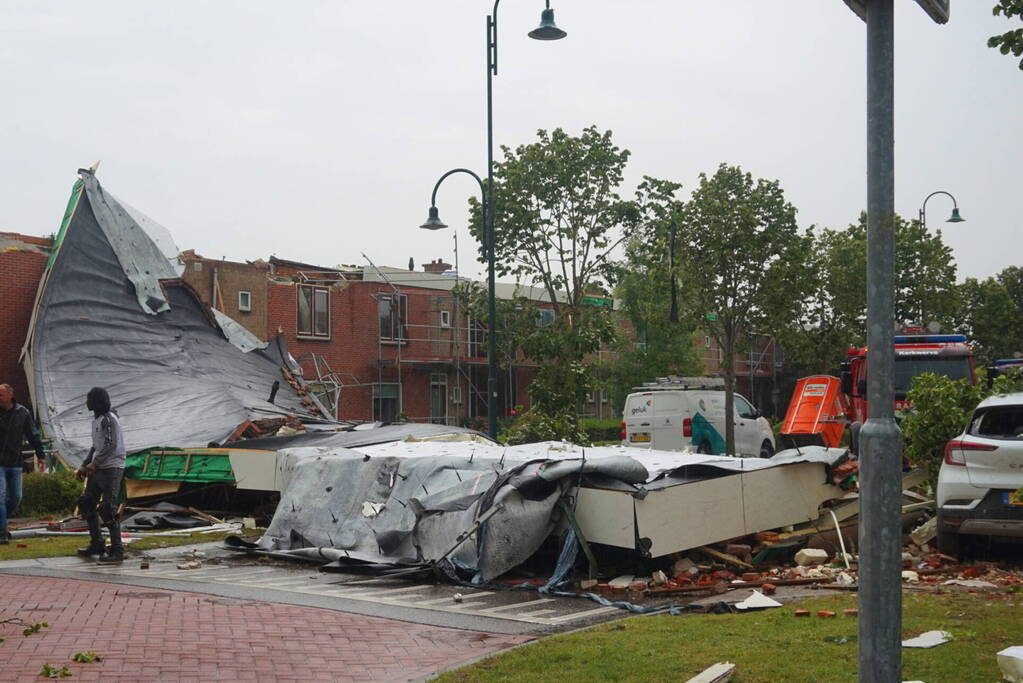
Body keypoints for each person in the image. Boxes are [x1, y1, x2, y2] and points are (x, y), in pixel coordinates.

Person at [75, 387, 126, 563]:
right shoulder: (96, 421)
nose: (86, 402)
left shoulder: (109, 419)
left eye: (89, 399)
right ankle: (97, 543)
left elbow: (111, 445)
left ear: (96, 401)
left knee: (107, 509)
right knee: (87, 501)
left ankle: (117, 550)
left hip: (111, 468)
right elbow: (95, 446)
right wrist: (85, 465)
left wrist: (93, 465)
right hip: (98, 468)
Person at [0, 383, 46, 545]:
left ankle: (1, 521)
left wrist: (41, 455)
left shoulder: (22, 413)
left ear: (10, 395)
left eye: (1, 395)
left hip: (14, 462)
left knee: (15, 498)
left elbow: (33, 435)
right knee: (0, 496)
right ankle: (2, 532)